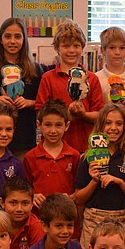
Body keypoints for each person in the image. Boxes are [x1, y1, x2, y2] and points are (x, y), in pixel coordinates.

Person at [74, 104, 125, 249]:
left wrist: (120, 182)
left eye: (119, 124)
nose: (113, 128)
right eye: (108, 123)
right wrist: (94, 180)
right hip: (94, 218)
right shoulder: (87, 157)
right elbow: (79, 198)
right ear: (100, 126)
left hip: (123, 218)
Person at [34, 19, 104, 153]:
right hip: (54, 148)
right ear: (57, 48)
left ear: (82, 48)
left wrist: (83, 114)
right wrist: (66, 116)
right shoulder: (48, 78)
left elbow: (99, 115)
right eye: (66, 46)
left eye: (76, 46)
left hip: (86, 146)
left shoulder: (92, 78)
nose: (71, 50)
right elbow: (40, 114)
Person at [0, 18, 44, 157]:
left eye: (17, 37)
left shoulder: (35, 69)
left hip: (25, 137)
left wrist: (29, 103)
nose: (12, 41)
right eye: (7, 36)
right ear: (0, 39)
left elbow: (43, 104)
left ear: (24, 40)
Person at [22, 99, 81, 208]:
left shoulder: (74, 155)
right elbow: (24, 189)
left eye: (58, 125)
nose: (53, 131)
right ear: (39, 125)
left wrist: (71, 197)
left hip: (66, 216)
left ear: (67, 126)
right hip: (39, 217)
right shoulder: (30, 157)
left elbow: (80, 191)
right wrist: (32, 196)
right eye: (48, 125)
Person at [95, 26, 125, 148]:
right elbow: (94, 111)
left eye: (122, 48)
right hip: (105, 144)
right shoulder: (96, 79)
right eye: (112, 48)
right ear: (102, 50)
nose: (117, 52)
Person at [0, 176, 45, 249]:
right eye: (13, 203)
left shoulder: (36, 227)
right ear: (2, 203)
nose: (19, 209)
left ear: (32, 204)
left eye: (25, 203)